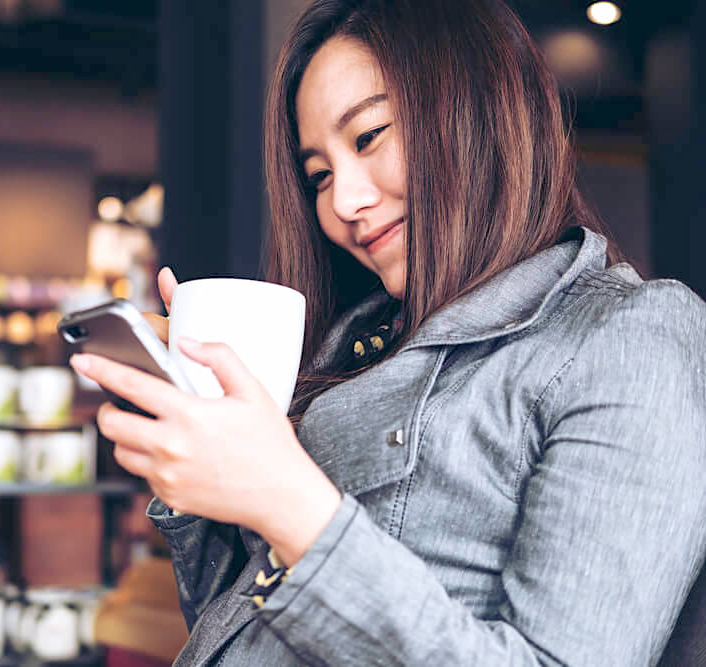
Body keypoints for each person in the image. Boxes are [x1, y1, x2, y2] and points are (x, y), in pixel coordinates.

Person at [69, 0, 706, 664]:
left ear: (476, 110)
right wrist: (204, 450)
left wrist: (288, 501)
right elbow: (248, 628)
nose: (342, 202)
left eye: (369, 136)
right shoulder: (354, 342)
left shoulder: (633, 335)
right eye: (318, 175)